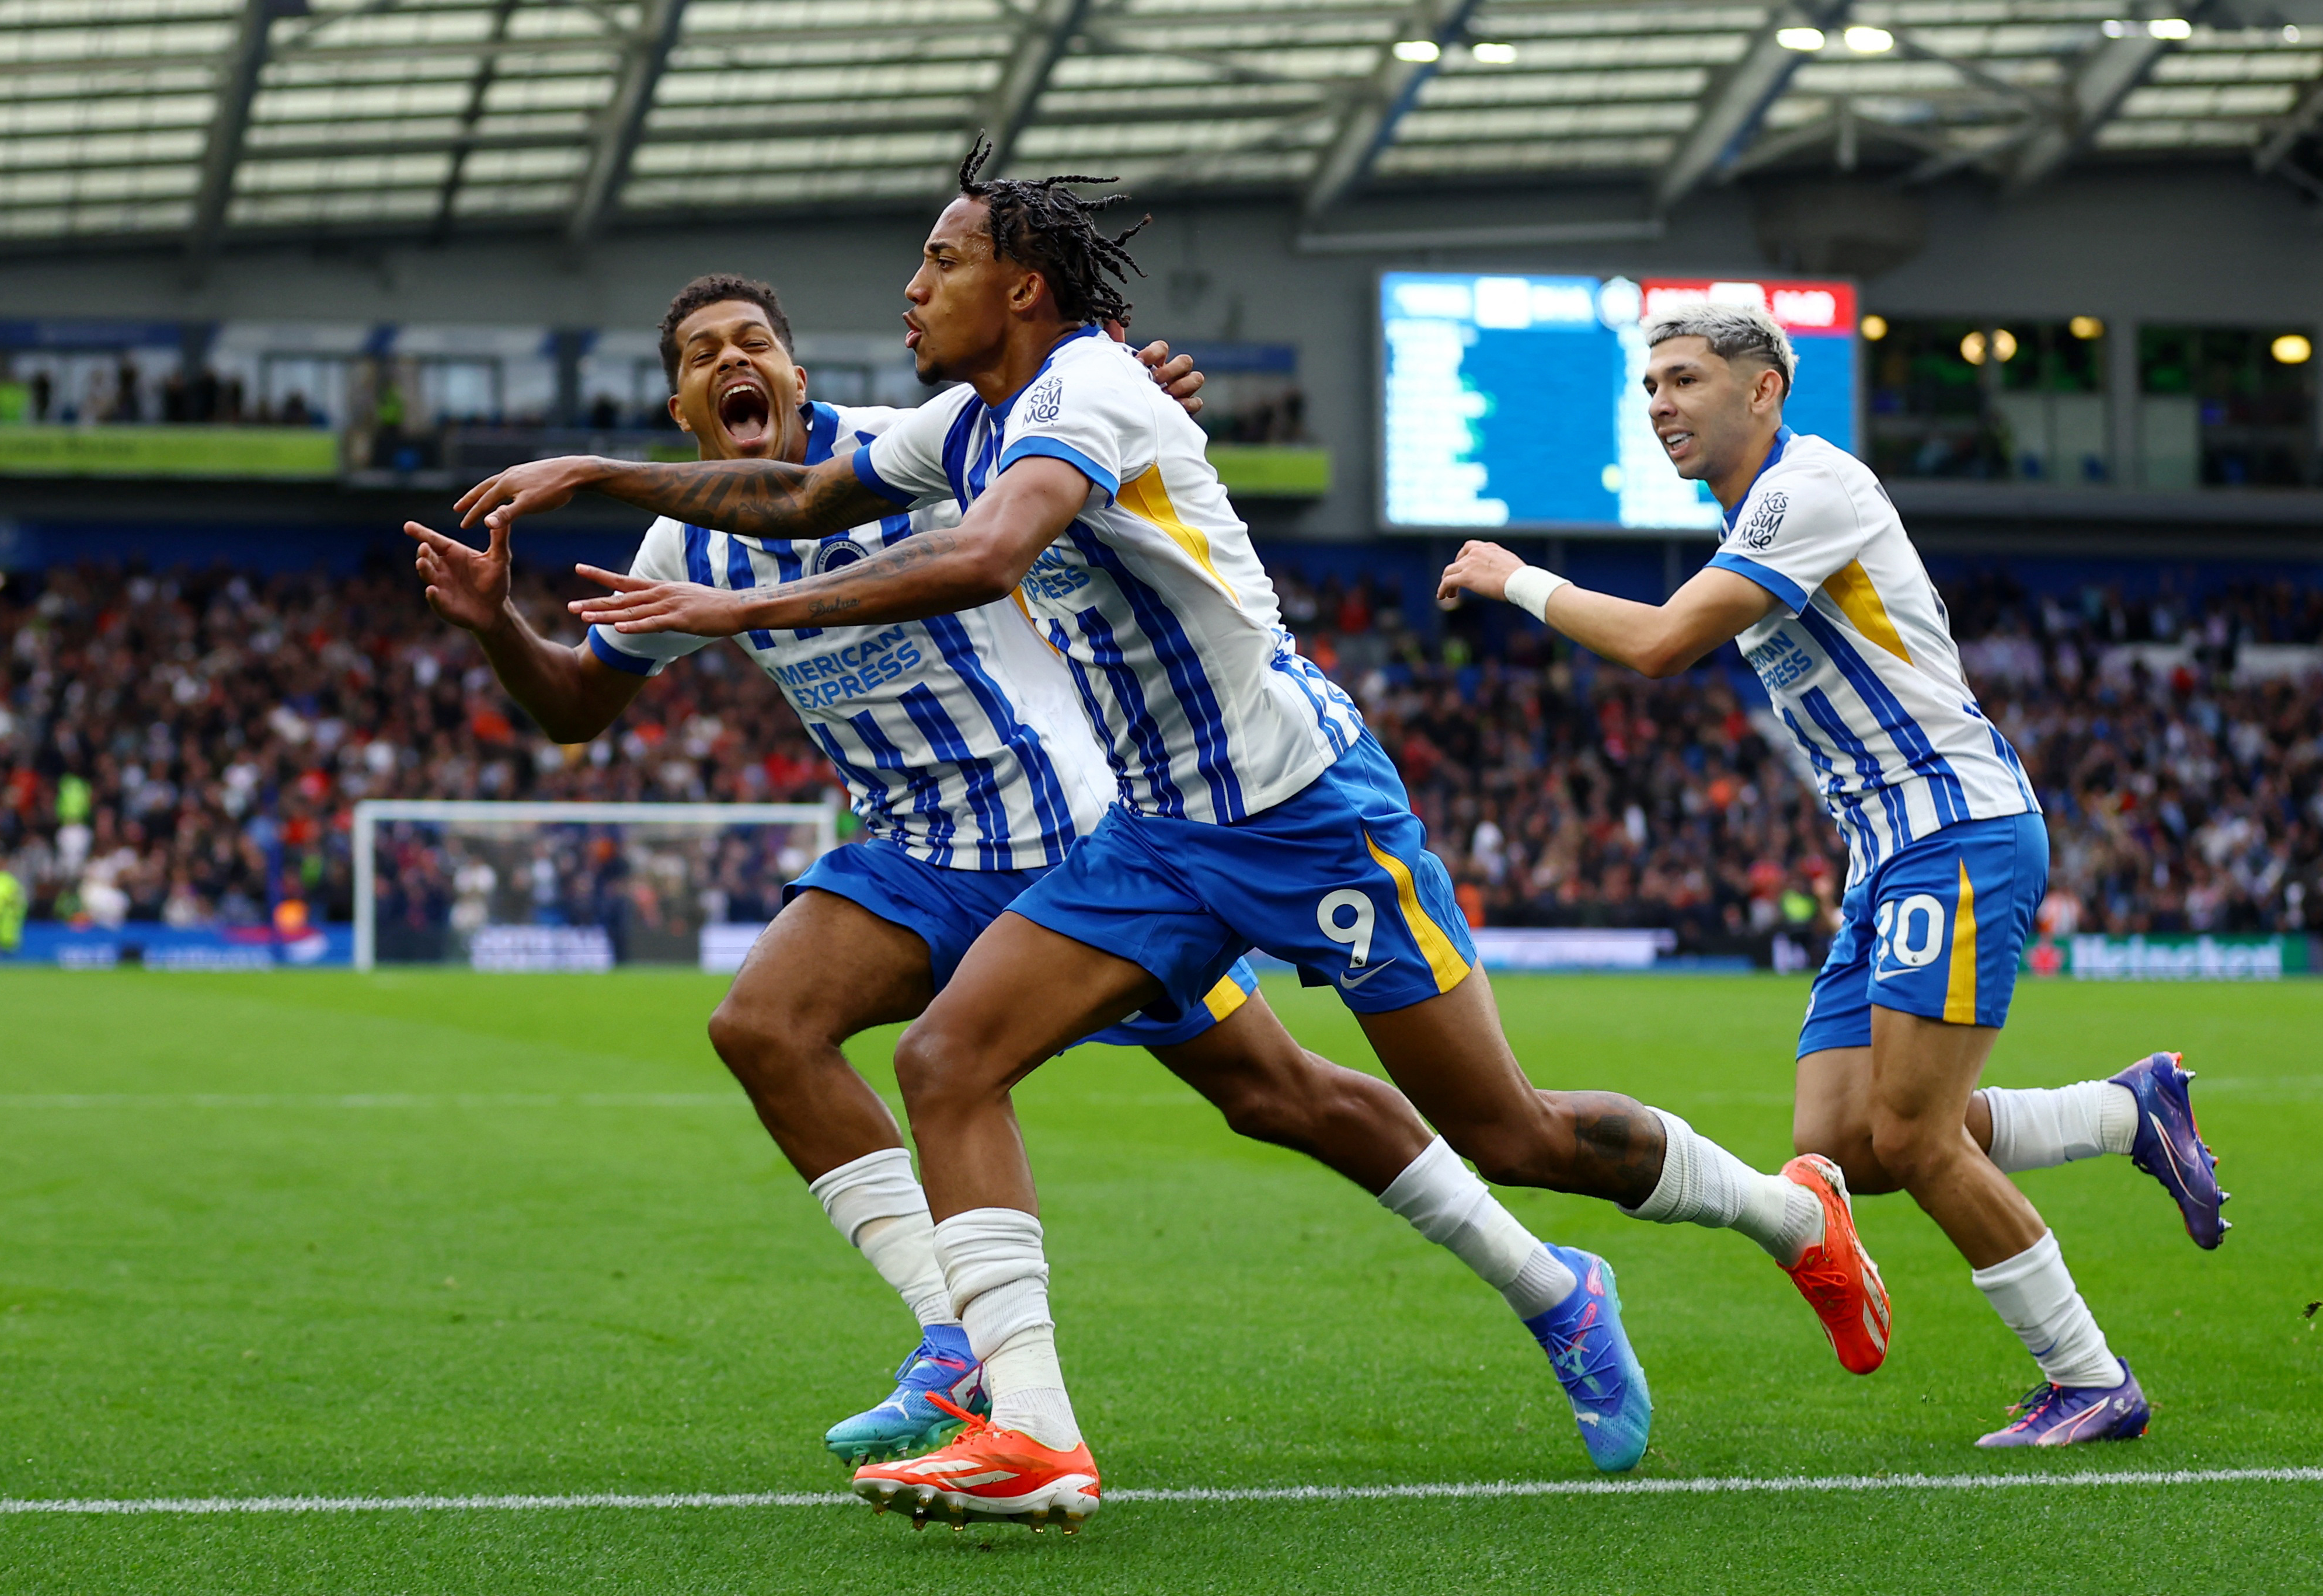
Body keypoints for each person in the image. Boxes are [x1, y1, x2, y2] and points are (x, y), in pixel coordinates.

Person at [455, 145, 1889, 1530]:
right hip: (1140, 834)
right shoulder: (962, 423)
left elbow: (983, 553)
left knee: (1505, 1131)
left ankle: (1778, 1222)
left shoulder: (1084, 387)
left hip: (1303, 814)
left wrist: (736, 612)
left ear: (1021, 288)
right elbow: (801, 505)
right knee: (941, 1058)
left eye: (940, 261)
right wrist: (590, 475)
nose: (910, 288)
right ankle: (1030, 1423)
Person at [1437, 301, 2227, 1450]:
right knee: (1845, 1142)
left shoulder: (1811, 488)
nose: (1659, 401)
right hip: (1887, 856)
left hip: (1953, 830)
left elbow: (1662, 645)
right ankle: (2125, 1110)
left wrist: (1515, 577)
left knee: (1912, 1137)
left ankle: (2090, 1375)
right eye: (1649, 383)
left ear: (1763, 389)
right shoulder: (1762, 512)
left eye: (1685, 378)